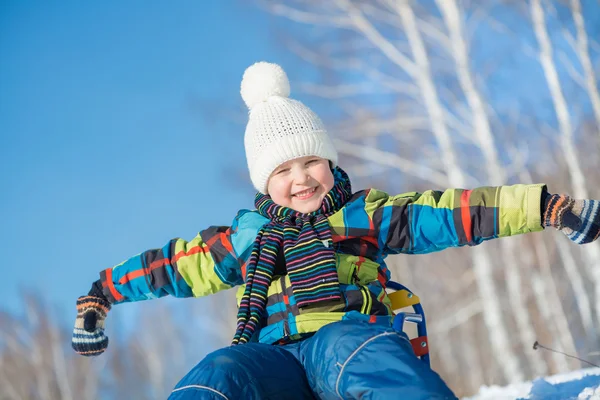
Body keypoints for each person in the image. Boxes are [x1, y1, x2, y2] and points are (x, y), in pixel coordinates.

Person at [72, 62, 600, 400]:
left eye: (310, 162)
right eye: (282, 170)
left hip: (345, 340)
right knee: (219, 371)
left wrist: (547, 207)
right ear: (263, 182)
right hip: (273, 361)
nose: (299, 178)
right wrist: (101, 295)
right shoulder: (245, 240)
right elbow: (172, 266)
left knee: (359, 353)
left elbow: (456, 212)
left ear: (330, 162)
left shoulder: (362, 214)